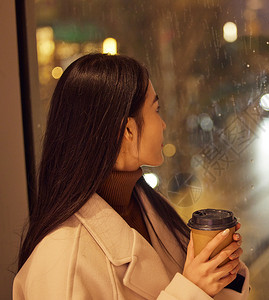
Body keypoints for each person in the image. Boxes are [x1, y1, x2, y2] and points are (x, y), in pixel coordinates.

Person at [13, 53, 250, 299]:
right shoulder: (61, 263)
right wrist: (192, 291)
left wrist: (221, 270)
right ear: (127, 129)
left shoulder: (150, 207)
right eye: (156, 110)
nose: (163, 124)